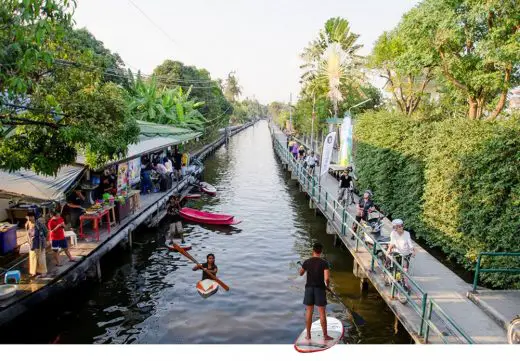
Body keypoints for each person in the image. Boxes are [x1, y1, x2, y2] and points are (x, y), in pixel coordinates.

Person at [298, 242, 333, 342]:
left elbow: (301, 273)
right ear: (321, 251)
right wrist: (328, 287)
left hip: (309, 289)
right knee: (322, 312)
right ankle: (325, 336)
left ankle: (308, 335)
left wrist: (303, 269)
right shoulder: (324, 263)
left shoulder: (307, 262)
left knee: (309, 311)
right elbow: (326, 279)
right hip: (320, 289)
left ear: (313, 251)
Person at [25, 211, 48, 278]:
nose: (29, 218)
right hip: (32, 244)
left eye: (31, 216)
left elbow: (46, 232)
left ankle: (43, 272)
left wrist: (45, 241)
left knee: (41, 259)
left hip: (40, 243)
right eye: (28, 217)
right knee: (33, 258)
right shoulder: (27, 224)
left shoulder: (39, 223)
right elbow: (27, 234)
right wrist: (28, 241)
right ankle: (34, 272)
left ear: (34, 217)